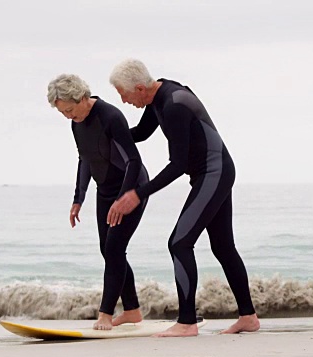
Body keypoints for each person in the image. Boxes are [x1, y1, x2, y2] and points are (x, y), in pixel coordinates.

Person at [107, 59, 260, 337]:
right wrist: (107, 134)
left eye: (124, 95)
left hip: (213, 173)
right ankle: (248, 317)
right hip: (215, 173)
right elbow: (140, 134)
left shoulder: (174, 104)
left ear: (140, 88)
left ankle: (187, 322)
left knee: (179, 243)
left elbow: (177, 165)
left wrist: (138, 194)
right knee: (223, 247)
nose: (125, 101)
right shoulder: (158, 98)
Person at [47, 74, 149, 330]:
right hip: (105, 191)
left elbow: (133, 162)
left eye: (70, 110)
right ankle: (133, 310)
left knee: (114, 249)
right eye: (63, 113)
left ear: (82, 97)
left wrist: (124, 198)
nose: (69, 116)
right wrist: (78, 198)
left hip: (130, 188)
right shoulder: (77, 124)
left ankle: (105, 314)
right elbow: (86, 159)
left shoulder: (110, 117)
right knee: (108, 250)